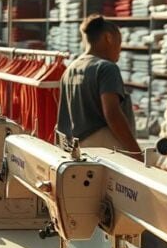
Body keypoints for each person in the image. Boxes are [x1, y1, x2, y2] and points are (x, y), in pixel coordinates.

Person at [56, 15, 140, 155]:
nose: (120, 49)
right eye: (119, 42)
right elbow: (113, 114)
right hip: (104, 151)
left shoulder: (71, 69)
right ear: (108, 38)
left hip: (75, 150)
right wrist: (136, 153)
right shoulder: (106, 68)